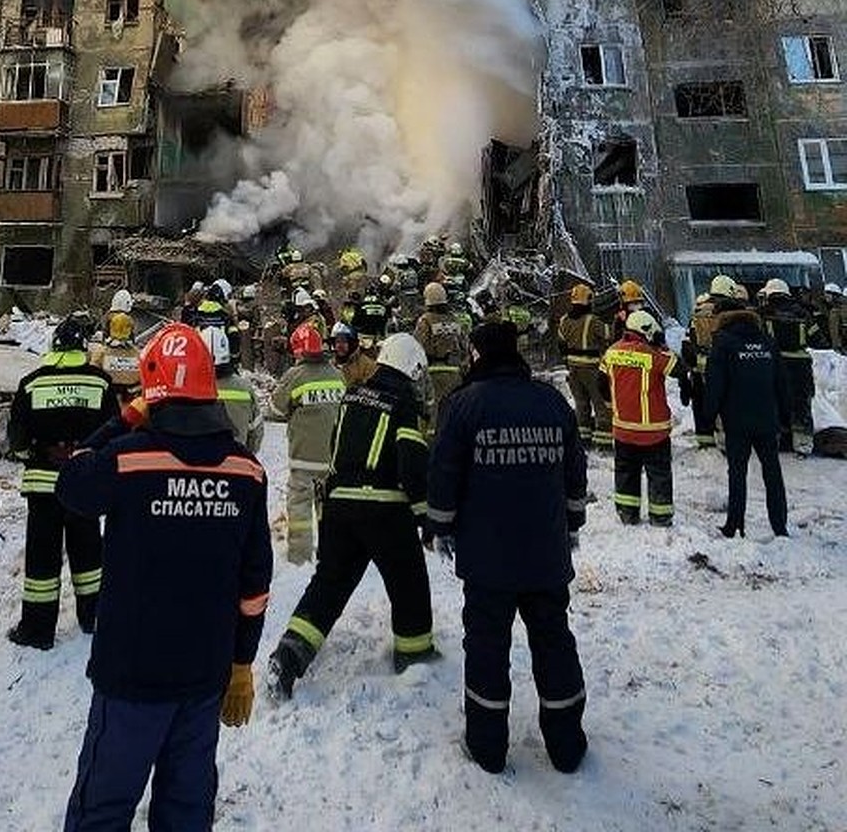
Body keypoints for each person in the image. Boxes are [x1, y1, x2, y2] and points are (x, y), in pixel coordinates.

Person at [56, 323, 272, 831]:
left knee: (103, 810)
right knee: (186, 811)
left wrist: (123, 418)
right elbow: (255, 582)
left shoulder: (128, 460)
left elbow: (72, 484)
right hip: (206, 676)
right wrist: (242, 663)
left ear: (153, 392)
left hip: (131, 675)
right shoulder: (247, 472)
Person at [426, 320, 588, 774]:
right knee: (554, 642)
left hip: (487, 560)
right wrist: (573, 522)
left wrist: (440, 526)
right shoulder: (551, 402)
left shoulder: (463, 406)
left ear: (477, 354)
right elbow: (575, 470)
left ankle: (487, 747)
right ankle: (567, 746)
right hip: (546, 555)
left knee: (486, 648)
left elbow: (444, 473)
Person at [267, 333, 436, 700]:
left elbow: (336, 449)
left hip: (339, 507)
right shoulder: (402, 401)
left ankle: (290, 653)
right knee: (409, 584)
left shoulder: (353, 394)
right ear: (412, 367)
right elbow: (411, 463)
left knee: (329, 583)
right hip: (386, 509)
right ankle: (415, 654)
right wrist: (426, 515)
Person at [6, 315, 119, 650]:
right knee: (88, 552)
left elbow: (18, 439)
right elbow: (112, 434)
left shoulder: (31, 383)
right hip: (84, 482)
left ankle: (37, 631)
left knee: (42, 558)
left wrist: (34, 456)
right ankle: (93, 617)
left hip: (43, 485)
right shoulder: (99, 383)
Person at [703, 293, 789, 538]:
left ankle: (735, 523)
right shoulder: (767, 342)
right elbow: (781, 381)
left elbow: (715, 384)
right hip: (766, 418)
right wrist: (785, 414)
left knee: (737, 472)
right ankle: (779, 524)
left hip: (736, 420)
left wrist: (708, 416)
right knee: (772, 472)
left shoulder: (723, 343)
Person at [269, 324, 346, 564]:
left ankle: (299, 557)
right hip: (334, 458)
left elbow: (274, 409)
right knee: (330, 508)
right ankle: (332, 553)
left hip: (304, 458)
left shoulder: (295, 376)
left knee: (300, 506)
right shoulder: (337, 374)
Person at [600, 310, 684, 527]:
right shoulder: (652, 355)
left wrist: (614, 405)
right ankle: (660, 515)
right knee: (659, 475)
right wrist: (662, 346)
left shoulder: (611, 352)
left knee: (626, 473)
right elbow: (679, 369)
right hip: (653, 432)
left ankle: (628, 513)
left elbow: (602, 385)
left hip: (623, 430)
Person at [758, 278, 821, 456]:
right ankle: (803, 445)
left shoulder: (764, 313)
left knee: (774, 401)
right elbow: (817, 339)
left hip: (774, 363)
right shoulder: (802, 313)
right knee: (801, 403)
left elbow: (758, 337)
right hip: (800, 365)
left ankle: (777, 441)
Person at [555, 284, 611, 450]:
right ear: (588, 301)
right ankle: (604, 443)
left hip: (573, 369)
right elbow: (609, 334)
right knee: (600, 404)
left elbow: (561, 344)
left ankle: (582, 441)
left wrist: (567, 361)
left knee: (581, 405)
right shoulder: (592, 321)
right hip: (591, 368)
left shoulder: (564, 320)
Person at [414, 281, 470, 425]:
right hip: (455, 373)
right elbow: (465, 347)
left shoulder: (425, 321)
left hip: (433, 373)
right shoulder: (455, 320)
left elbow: (417, 347)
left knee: (433, 417)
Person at [202, 325, 263, 453]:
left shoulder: (187, 387)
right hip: (237, 464)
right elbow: (256, 432)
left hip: (197, 467)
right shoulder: (244, 388)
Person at [682, 286, 724, 449]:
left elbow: (686, 347)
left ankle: (705, 439)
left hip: (698, 371)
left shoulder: (695, 320)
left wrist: (690, 367)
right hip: (718, 368)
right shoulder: (720, 318)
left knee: (700, 403)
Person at [89, 312, 141, 402]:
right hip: (133, 401)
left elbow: (93, 375)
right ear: (131, 331)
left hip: (108, 400)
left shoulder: (101, 352)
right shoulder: (139, 354)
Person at [330, 320, 377, 388]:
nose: (339, 346)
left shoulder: (367, 366)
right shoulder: (331, 364)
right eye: (337, 341)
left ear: (353, 344)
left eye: (344, 341)